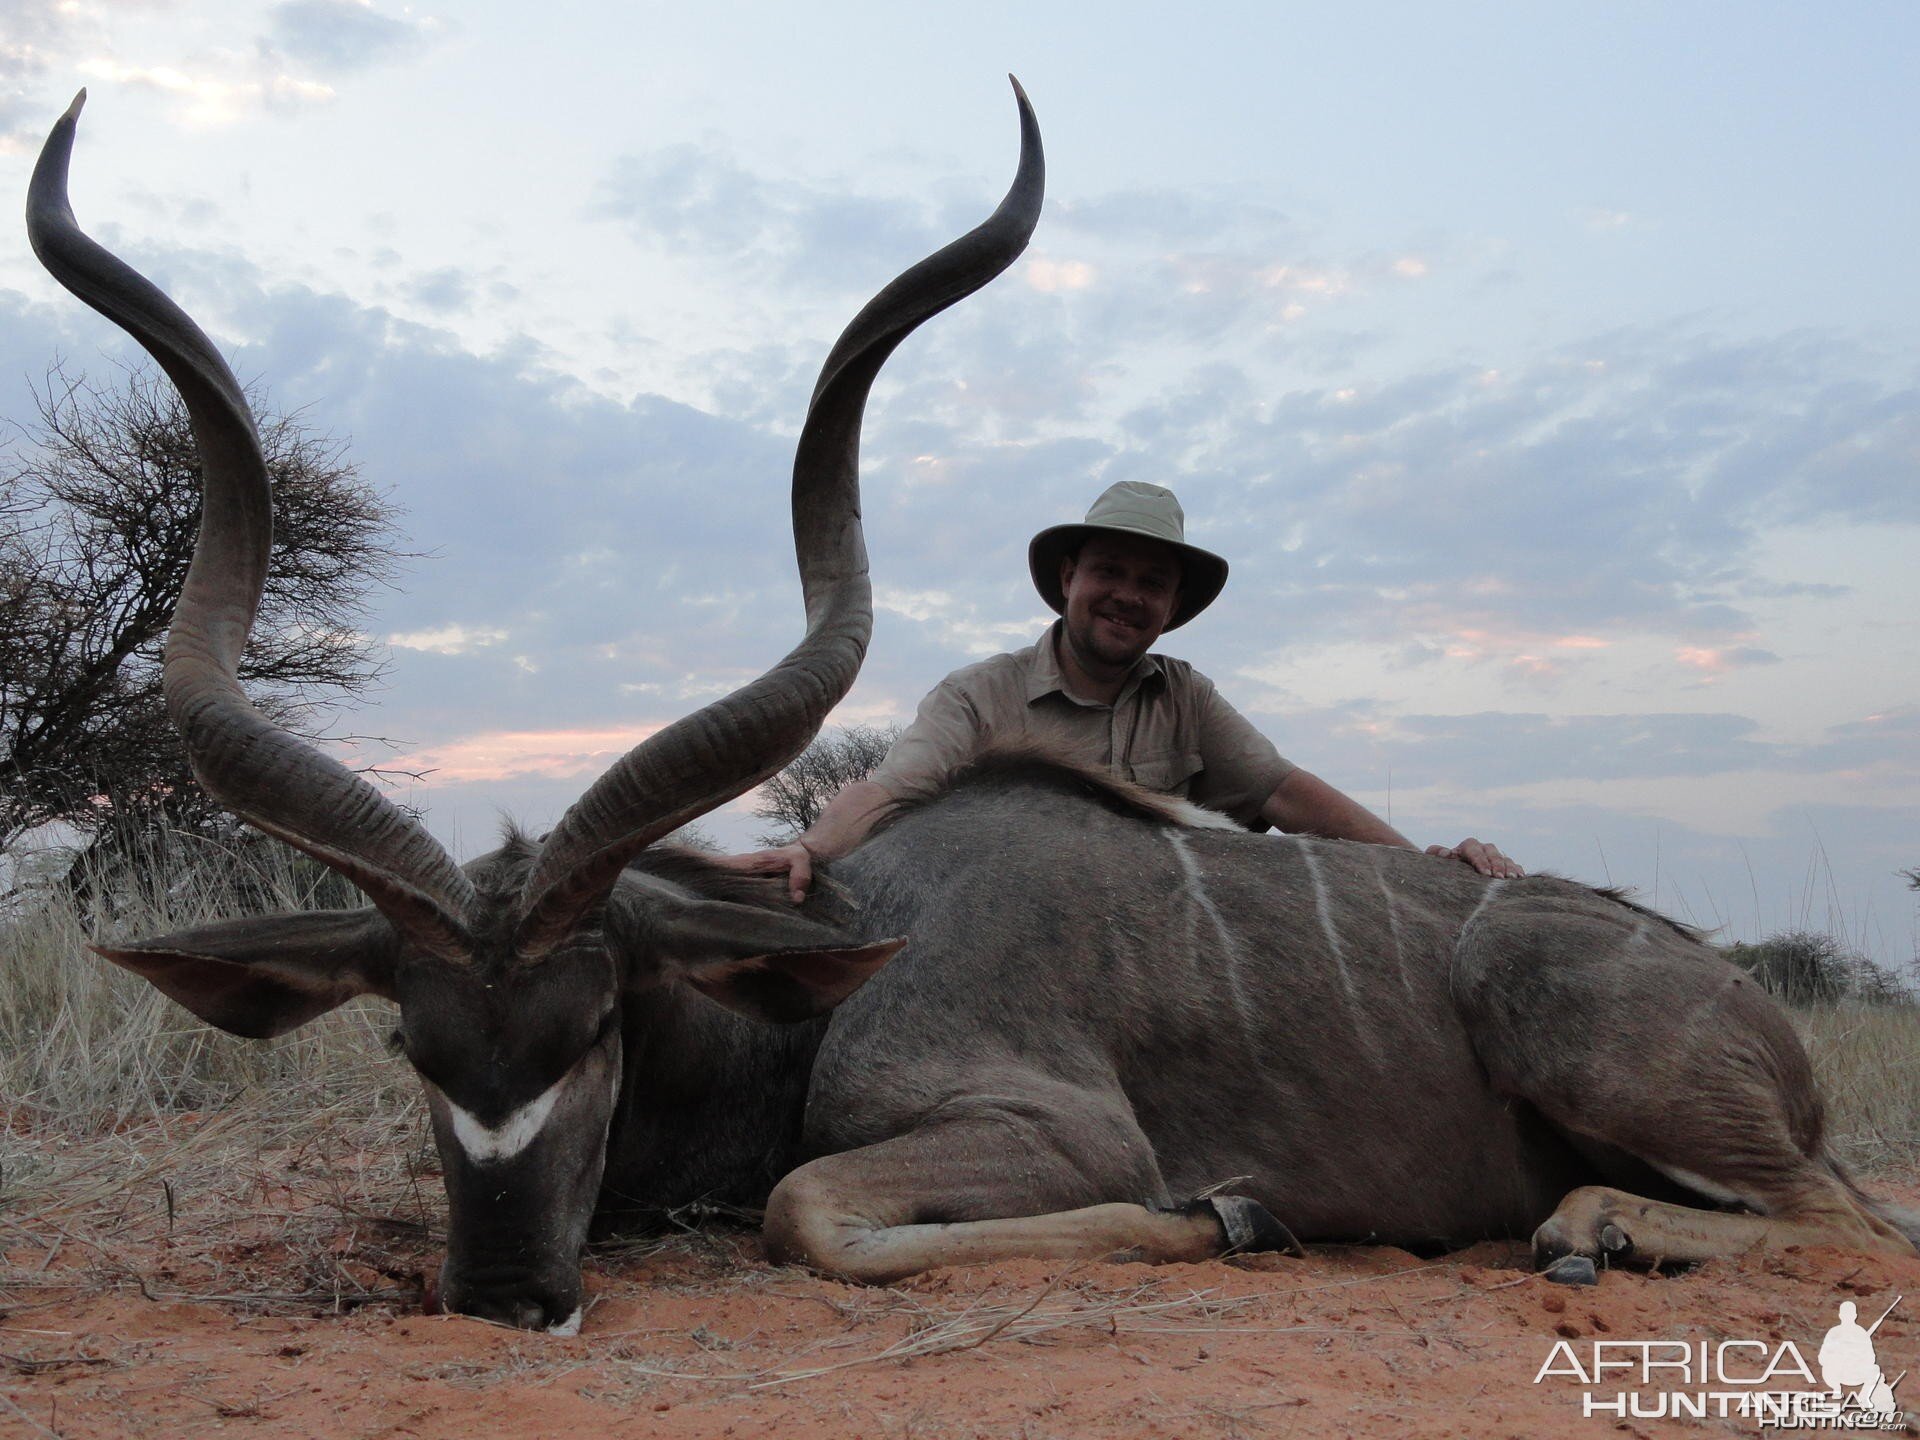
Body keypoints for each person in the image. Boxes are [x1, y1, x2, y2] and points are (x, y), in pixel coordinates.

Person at [721, 481, 1521, 901]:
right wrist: (811, 849)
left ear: (1172, 607)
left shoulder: (1187, 698)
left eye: (1151, 582)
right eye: (1109, 572)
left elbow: (1289, 794)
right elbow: (887, 793)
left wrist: (1424, 868)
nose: (1126, 596)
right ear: (1069, 577)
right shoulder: (977, 696)